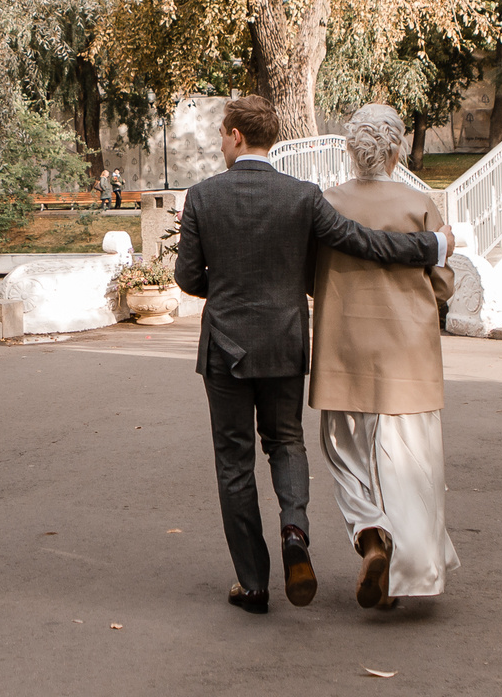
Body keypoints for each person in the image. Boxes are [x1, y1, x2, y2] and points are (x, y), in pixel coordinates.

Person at [173, 95, 446, 614]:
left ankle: (254, 585)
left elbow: (188, 278)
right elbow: (361, 242)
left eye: (221, 134)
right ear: (269, 138)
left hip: (225, 350)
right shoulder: (302, 196)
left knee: (234, 462)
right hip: (284, 342)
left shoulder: (203, 197)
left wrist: (231, 286)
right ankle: (295, 535)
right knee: (286, 443)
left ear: (233, 134)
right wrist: (429, 247)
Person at [311, 104, 457, 610]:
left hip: (343, 348)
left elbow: (310, 276)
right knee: (409, 464)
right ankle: (408, 570)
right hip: (408, 355)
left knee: (344, 453)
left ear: (351, 150)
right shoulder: (420, 204)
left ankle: (372, 535)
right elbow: (441, 284)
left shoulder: (326, 204)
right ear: (396, 150)